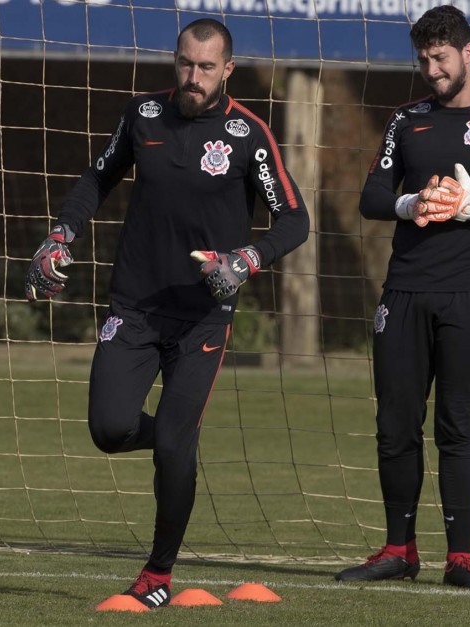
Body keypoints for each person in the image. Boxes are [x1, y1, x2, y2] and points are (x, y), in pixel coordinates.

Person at [24, 18, 309, 610]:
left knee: (176, 445)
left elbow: (294, 219)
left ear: (228, 70)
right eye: (185, 63)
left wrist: (246, 259)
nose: (193, 77)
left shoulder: (248, 135)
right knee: (109, 430)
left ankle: (157, 573)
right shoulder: (143, 116)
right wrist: (60, 235)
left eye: (207, 67)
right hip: (135, 306)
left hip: (203, 317)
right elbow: (98, 177)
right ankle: (174, 443)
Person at [334, 5, 470, 589]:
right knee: (395, 424)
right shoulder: (407, 122)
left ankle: (461, 559)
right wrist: (411, 203)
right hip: (404, 289)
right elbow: (373, 194)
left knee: (458, 425)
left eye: (441, 58)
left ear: (468, 52)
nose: (431, 69)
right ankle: (398, 550)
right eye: (423, 59)